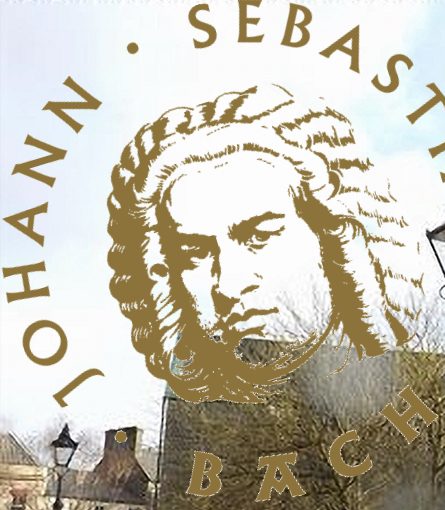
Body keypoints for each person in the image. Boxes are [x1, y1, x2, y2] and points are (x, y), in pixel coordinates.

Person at [106, 84, 417, 403]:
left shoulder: (399, 395)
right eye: (195, 252)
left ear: (331, 240)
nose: (226, 286)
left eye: (259, 236)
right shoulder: (192, 400)